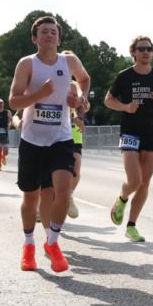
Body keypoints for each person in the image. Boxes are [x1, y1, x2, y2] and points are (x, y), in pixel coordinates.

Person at [8, 16, 90, 272]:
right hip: (32, 140)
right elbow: (14, 101)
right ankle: (28, 245)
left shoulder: (69, 62)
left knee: (62, 190)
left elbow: (84, 79)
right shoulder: (27, 64)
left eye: (53, 32)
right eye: (44, 32)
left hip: (61, 138)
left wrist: (80, 99)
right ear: (35, 38)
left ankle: (52, 242)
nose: (49, 35)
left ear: (59, 38)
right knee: (31, 197)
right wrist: (39, 95)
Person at [104, 35, 153, 243]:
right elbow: (108, 100)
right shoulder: (124, 76)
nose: (146, 52)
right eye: (141, 49)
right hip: (130, 132)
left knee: (145, 183)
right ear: (133, 52)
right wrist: (125, 107)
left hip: (150, 132)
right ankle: (122, 198)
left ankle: (131, 226)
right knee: (134, 180)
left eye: (149, 49)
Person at [67, 77, 88, 219]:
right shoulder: (52, 81)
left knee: (76, 168)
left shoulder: (75, 85)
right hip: (55, 135)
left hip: (74, 136)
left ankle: (68, 196)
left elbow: (84, 105)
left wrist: (79, 116)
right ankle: (42, 203)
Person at [0, 98, 14, 171]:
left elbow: (11, 120)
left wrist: (9, 124)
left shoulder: (8, 112)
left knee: (6, 152)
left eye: (1, 103)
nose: (0, 104)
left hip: (5, 133)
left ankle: (3, 157)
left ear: (3, 104)